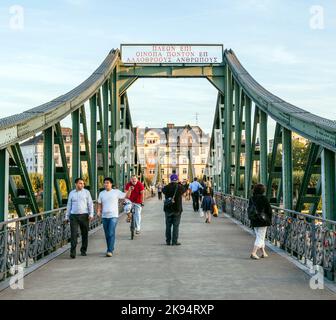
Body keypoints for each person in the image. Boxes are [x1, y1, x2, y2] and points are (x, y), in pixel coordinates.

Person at [97, 178, 132, 257]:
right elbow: (99, 203)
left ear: (111, 184)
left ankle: (109, 250)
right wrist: (98, 211)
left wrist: (129, 190)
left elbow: (126, 196)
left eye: (107, 183)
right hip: (104, 216)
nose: (106, 184)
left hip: (113, 216)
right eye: (105, 183)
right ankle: (110, 248)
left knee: (111, 232)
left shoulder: (116, 192)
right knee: (107, 234)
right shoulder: (101, 193)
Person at [65, 178, 94, 259]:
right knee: (73, 234)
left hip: (84, 216)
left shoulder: (86, 192)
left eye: (83, 183)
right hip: (73, 216)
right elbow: (69, 205)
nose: (82, 185)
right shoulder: (72, 193)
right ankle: (72, 252)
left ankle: (83, 250)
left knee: (84, 234)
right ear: (76, 184)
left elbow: (90, 204)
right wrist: (66, 216)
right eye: (80, 183)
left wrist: (91, 214)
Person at [248, 184, 273, 260]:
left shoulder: (251, 198)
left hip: (254, 220)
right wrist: (269, 219)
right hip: (262, 220)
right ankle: (254, 253)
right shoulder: (264, 198)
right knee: (260, 238)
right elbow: (269, 210)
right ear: (262, 191)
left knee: (259, 236)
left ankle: (263, 252)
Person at [162, 174, 187, 246]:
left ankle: (168, 241)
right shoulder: (180, 187)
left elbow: (163, 190)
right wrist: (180, 183)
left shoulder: (166, 187)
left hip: (168, 209)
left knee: (168, 226)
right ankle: (174, 241)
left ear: (170, 179)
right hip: (177, 209)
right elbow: (185, 189)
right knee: (176, 226)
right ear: (177, 179)